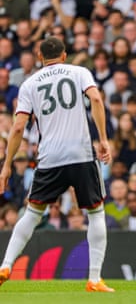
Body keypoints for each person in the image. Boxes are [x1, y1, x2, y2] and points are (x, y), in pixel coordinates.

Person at [0, 37, 114, 292]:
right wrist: (103, 139)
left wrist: (7, 165)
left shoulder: (29, 84)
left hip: (49, 158)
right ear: (64, 55)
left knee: (32, 213)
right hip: (81, 154)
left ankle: (6, 265)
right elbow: (95, 100)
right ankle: (94, 279)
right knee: (95, 212)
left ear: (40, 57)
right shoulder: (79, 72)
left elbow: (18, 126)